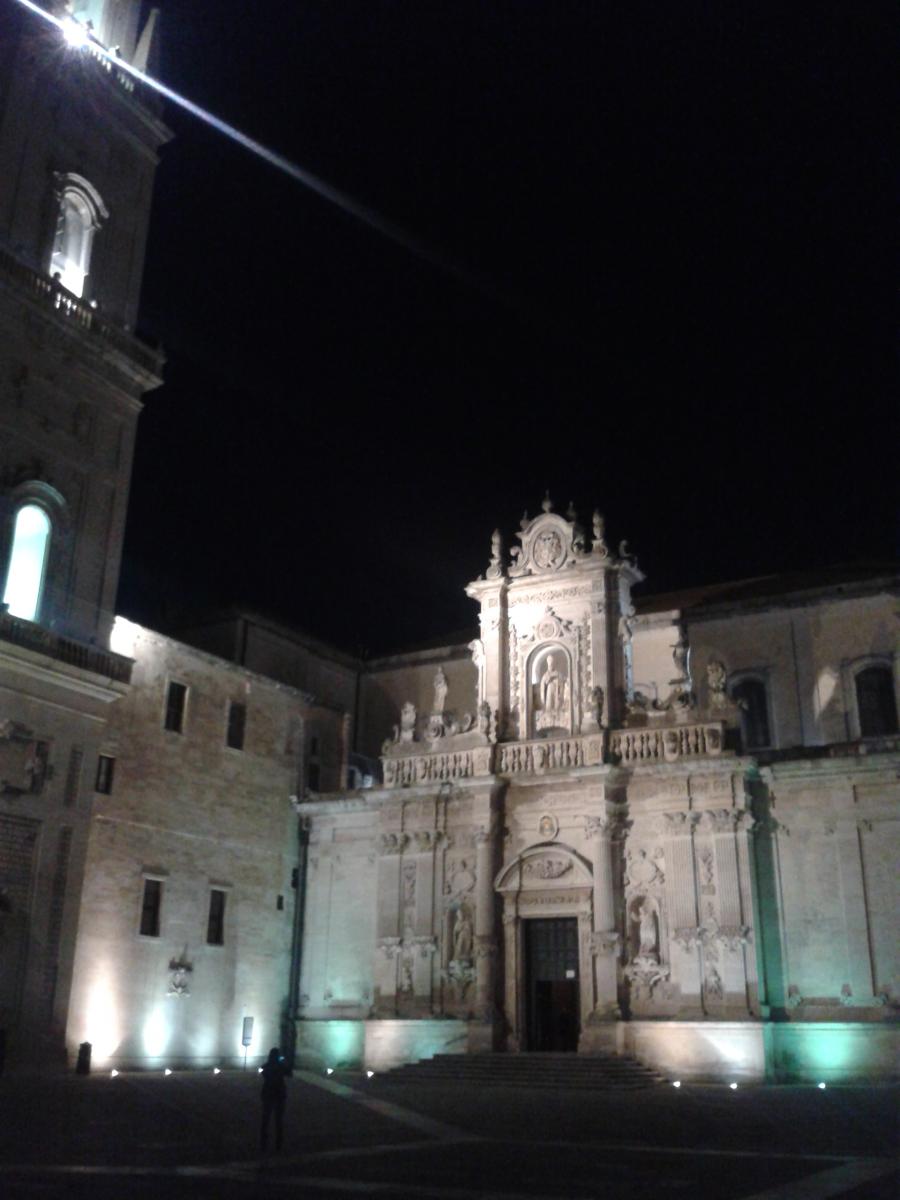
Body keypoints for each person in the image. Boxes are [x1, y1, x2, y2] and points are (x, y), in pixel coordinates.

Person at [260, 1047, 287, 1153]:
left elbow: (263, 1073)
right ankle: (278, 1142)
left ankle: (263, 1141)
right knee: (278, 1120)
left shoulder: (266, 1066)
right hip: (279, 1094)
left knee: (266, 1118)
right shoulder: (280, 1067)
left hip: (268, 1093)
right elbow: (289, 1072)